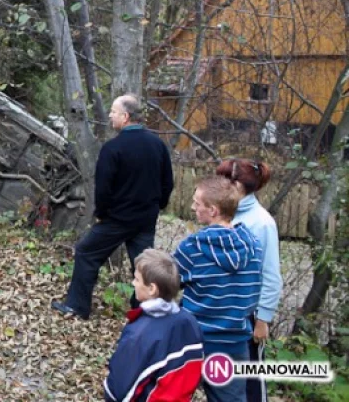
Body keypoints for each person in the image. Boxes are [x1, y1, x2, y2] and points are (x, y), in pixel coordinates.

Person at [52, 94, 174, 320]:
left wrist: (102, 214)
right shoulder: (158, 145)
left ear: (126, 116)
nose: (109, 115)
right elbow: (168, 183)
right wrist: (157, 207)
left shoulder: (113, 148)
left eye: (114, 111)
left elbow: (103, 189)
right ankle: (142, 315)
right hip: (145, 219)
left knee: (87, 252)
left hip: (116, 220)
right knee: (144, 267)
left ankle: (78, 307)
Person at [174, 176, 262, 402]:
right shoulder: (253, 246)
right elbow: (254, 294)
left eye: (197, 203)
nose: (193, 207)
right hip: (235, 344)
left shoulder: (193, 247)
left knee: (168, 395)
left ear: (212, 210)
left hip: (192, 342)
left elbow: (168, 284)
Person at [216, 159, 280, 402]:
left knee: (251, 380)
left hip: (249, 316)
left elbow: (271, 275)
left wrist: (263, 319)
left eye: (223, 180)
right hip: (223, 313)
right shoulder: (223, 213)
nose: (218, 185)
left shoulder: (261, 222)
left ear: (238, 185)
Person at [103, 249, 204, 402]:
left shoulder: (140, 333)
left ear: (152, 288)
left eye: (137, 279)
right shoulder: (189, 321)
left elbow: (118, 389)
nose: (133, 283)